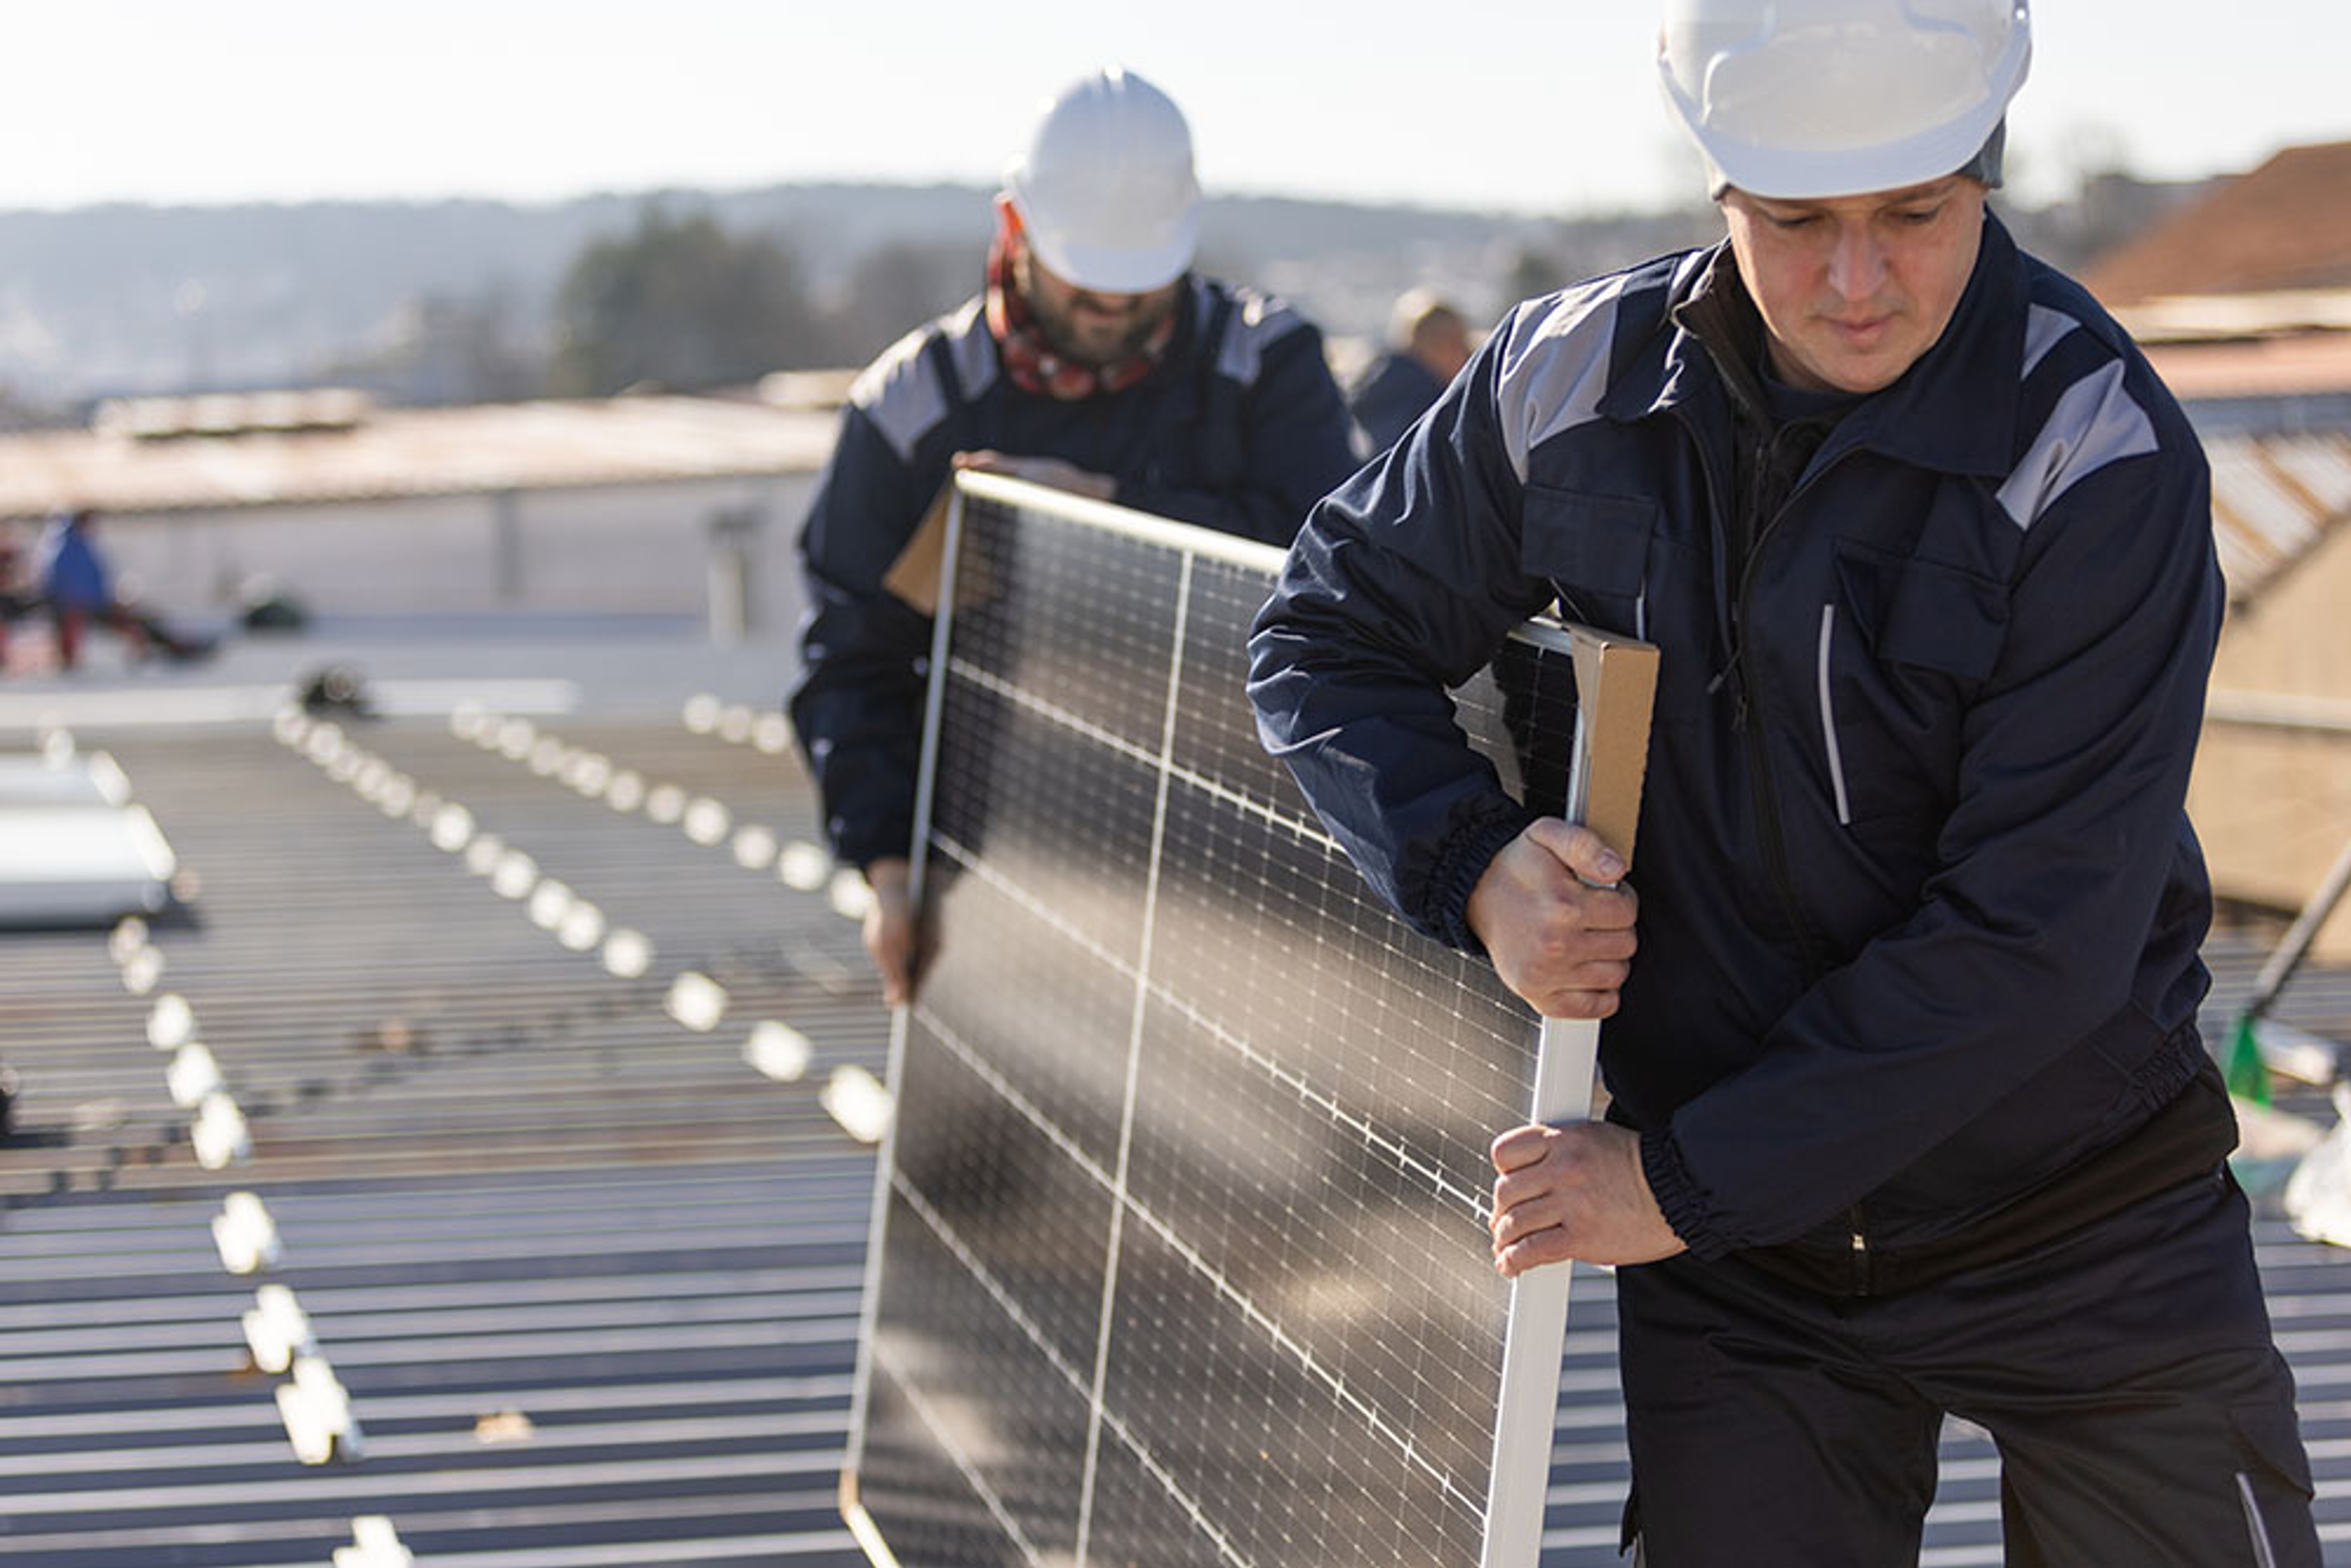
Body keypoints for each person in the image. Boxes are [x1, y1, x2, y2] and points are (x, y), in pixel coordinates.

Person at [1247, 1, 2320, 1561]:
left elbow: (2033, 934)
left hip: (2078, 1225)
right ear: (1717, 187)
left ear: (1986, 167)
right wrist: (1473, 859)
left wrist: (1676, 1182)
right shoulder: (1567, 388)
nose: (1855, 280)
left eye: (1913, 215)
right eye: (1797, 222)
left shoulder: (2092, 448)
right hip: (1752, 1285)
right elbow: (1324, 627)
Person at [790, 66, 1357, 1005]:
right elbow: (854, 660)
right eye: (1086, 281)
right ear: (1014, 231)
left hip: (1244, 877)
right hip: (1009, 876)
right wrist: (887, 868)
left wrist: (1105, 507)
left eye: (1138, 287)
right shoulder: (912, 413)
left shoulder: (1266, 369)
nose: (1112, 309)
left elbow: (1337, 571)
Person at [32, 509, 212, 669]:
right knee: (125, 622)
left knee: (140, 618)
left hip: (93, 602)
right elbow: (64, 585)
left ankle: (175, 645)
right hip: (78, 605)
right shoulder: (65, 549)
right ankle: (171, 647)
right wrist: (88, 602)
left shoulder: (79, 546)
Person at [1348, 288, 1472, 453]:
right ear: (1442, 346)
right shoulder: (1433, 409)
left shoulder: (1367, 389)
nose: (1468, 356)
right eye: (1460, 344)